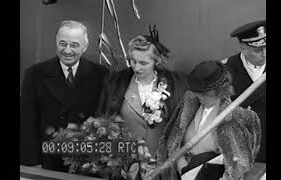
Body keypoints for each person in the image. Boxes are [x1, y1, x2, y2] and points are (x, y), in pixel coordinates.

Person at [20, 20, 109, 172]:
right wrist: (32, 164)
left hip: (86, 163)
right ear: (56, 42)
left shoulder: (101, 75)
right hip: (47, 161)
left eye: (74, 45)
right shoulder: (34, 74)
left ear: (85, 46)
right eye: (62, 44)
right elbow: (27, 123)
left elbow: (105, 120)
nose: (67, 50)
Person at [97, 25, 187, 160]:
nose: (137, 67)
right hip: (126, 162)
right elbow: (102, 120)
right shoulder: (115, 82)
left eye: (143, 63)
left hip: (163, 164)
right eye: (133, 61)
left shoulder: (176, 84)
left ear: (156, 62)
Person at [162, 61, 261, 180]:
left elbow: (239, 165)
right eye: (198, 93)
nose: (200, 97)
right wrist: (181, 166)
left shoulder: (235, 117)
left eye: (205, 93)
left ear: (220, 89)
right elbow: (172, 140)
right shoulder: (189, 103)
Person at [221, 19, 266, 164]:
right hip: (242, 148)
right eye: (258, 50)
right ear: (242, 47)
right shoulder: (225, 71)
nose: (264, 54)